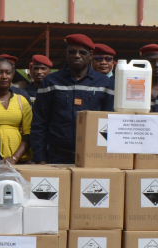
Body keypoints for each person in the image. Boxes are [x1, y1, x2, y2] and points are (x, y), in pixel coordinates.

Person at [30, 34, 115, 164]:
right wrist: (39, 157)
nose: (77, 55)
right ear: (66, 53)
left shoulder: (104, 83)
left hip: (93, 157)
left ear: (91, 55)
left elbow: (110, 122)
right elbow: (39, 122)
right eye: (72, 52)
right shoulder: (51, 81)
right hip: (55, 157)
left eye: (82, 52)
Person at [0, 57, 32, 163]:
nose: (4, 76)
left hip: (19, 160)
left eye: (8, 73)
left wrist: (14, 158)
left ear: (12, 75)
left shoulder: (21, 100)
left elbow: (28, 133)